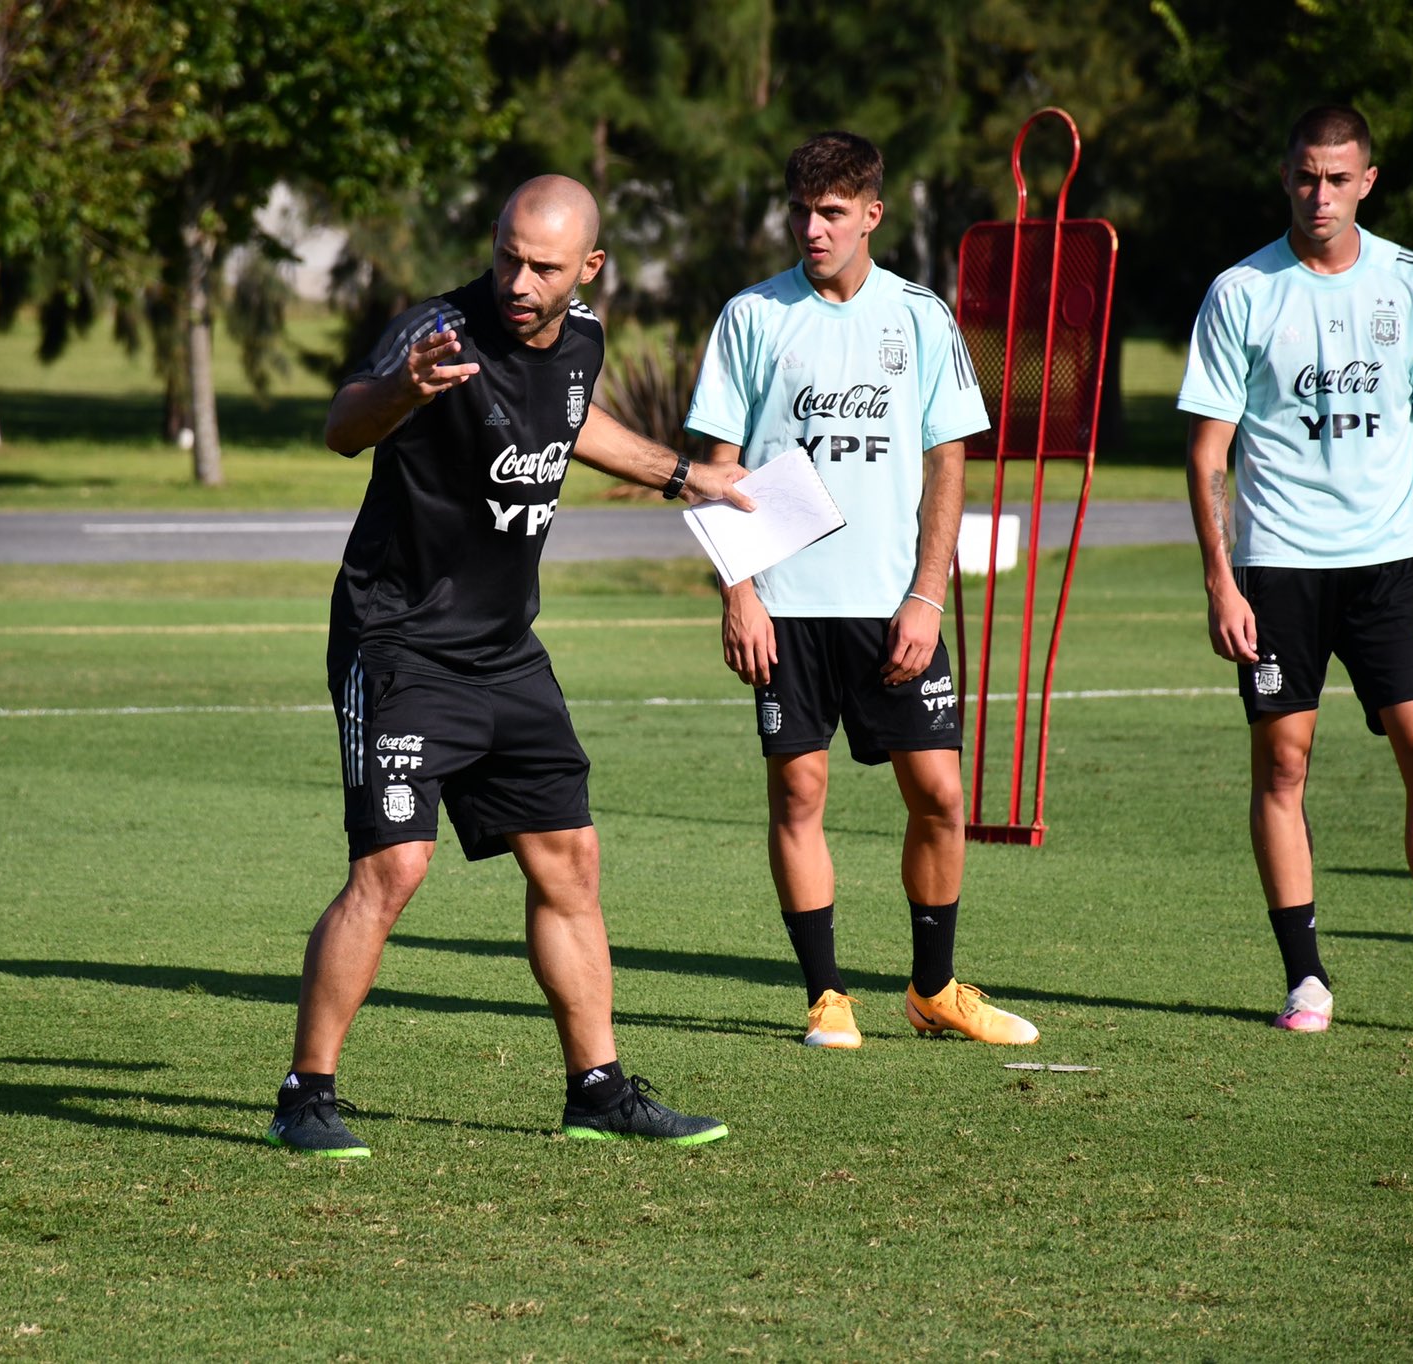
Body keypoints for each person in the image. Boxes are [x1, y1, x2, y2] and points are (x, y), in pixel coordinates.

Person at [268, 175, 751, 1157]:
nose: (519, 281)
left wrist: (683, 474)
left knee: (569, 858)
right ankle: (304, 1093)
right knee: (393, 866)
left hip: (504, 650)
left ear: (589, 269)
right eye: (507, 257)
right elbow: (343, 425)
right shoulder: (435, 332)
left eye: (543, 267)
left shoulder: (582, 341)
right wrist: (403, 390)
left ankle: (597, 1090)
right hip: (398, 643)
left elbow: (569, 421)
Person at [684, 131, 1039, 1051]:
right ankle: (827, 996)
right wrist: (738, 593)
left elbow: (948, 461)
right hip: (784, 608)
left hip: (892, 608)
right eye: (801, 212)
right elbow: (717, 466)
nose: (814, 229)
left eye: (833, 212)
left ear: (872, 215)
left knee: (941, 796)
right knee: (799, 796)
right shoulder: (752, 316)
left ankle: (934, 988)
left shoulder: (920, 317)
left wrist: (927, 594)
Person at [1178, 105, 1413, 1040]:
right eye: (1304, 177)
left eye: (1336, 178)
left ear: (1367, 181)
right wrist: (1220, 580)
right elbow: (1208, 449)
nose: (1319, 195)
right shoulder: (1241, 292)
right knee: (1283, 763)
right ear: (1285, 178)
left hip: (1396, 563)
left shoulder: (1411, 280)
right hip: (1279, 565)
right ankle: (1306, 979)